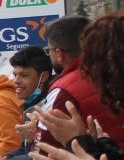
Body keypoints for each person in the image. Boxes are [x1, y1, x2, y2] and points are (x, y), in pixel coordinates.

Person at [37, 15, 124, 149]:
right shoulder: (110, 72)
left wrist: (32, 137)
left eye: (49, 51)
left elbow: (44, 150)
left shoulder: (63, 89)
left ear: (59, 54)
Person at [0, 45, 54, 160]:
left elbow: (40, 157)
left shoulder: (52, 103)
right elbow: (25, 148)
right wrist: (5, 158)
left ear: (43, 77)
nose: (16, 81)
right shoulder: (29, 106)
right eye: (15, 75)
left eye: (24, 75)